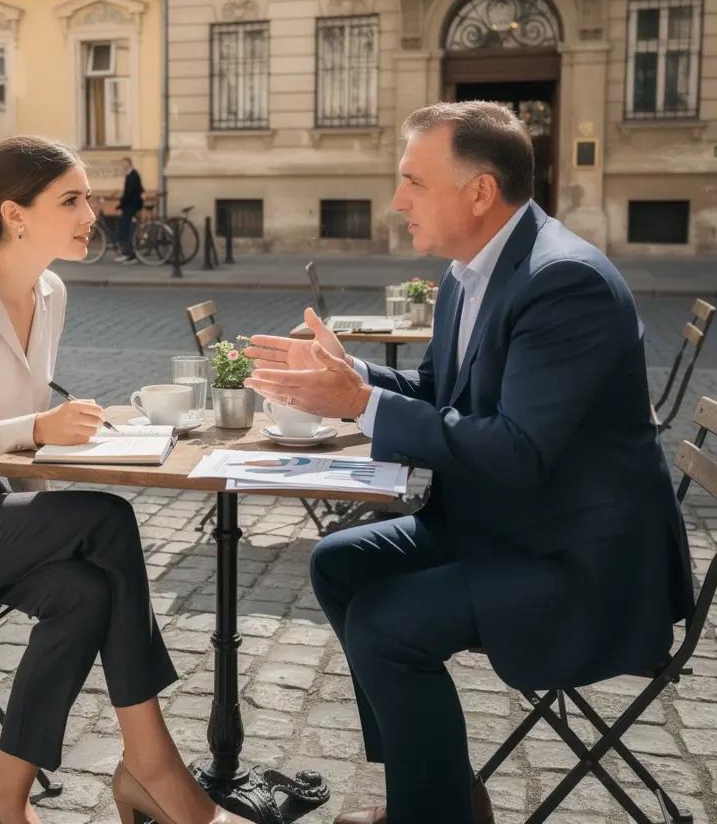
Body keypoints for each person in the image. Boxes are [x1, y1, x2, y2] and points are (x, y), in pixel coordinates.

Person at [244, 102, 693, 824]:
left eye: (413, 182)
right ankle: (440, 796)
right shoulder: (466, 273)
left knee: (386, 623)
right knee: (338, 564)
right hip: (507, 529)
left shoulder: (564, 281)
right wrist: (349, 376)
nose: (397, 201)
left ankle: (431, 813)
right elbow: (441, 394)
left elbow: (516, 450)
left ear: (480, 193)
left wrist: (358, 403)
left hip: (581, 565)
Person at [0, 136, 248, 824]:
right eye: (73, 199)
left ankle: (3, 799)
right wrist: (36, 432)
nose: (94, 211)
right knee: (106, 519)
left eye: (89, 196)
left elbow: (24, 429)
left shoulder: (47, 291)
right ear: (15, 214)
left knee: (86, 587)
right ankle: (152, 770)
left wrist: (79, 446)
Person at [116, 156, 144, 263]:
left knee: (125, 230)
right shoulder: (131, 174)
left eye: (124, 163)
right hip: (131, 204)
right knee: (128, 229)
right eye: (122, 164)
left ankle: (129, 254)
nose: (123, 166)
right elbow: (140, 188)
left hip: (131, 205)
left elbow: (130, 192)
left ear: (129, 164)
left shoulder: (133, 175)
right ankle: (128, 253)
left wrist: (121, 203)